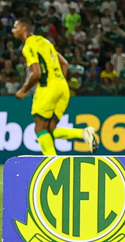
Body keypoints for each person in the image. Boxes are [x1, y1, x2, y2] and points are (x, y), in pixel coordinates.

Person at [13, 17, 99, 154]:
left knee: (40, 129)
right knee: (50, 130)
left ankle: (52, 164)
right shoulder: (46, 42)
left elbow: (36, 73)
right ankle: (83, 133)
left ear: (24, 29)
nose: (13, 30)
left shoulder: (28, 46)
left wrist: (23, 90)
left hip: (48, 88)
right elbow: (65, 63)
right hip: (63, 87)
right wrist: (59, 81)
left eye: (15, 27)